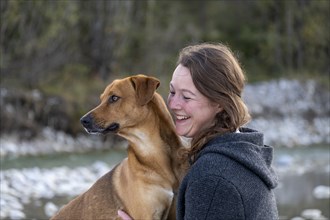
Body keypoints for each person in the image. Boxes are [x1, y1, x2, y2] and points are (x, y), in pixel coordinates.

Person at [119, 42, 279, 220]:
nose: (173, 105)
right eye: (172, 92)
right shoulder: (243, 154)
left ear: (219, 102)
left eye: (186, 97)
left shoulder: (211, 178)